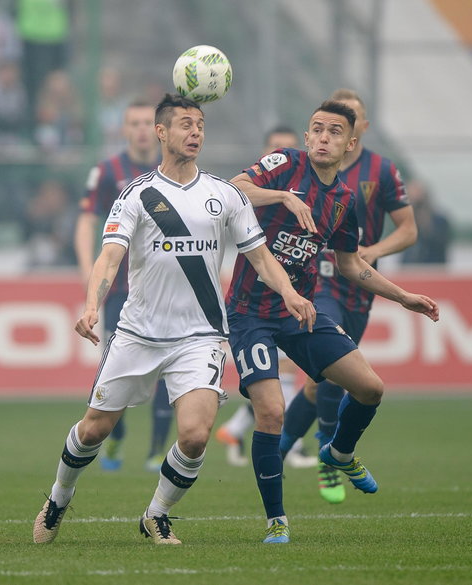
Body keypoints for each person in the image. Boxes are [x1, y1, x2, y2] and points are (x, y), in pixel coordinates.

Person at [33, 93, 315, 546]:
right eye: (185, 124)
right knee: (93, 430)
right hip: (138, 333)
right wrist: (90, 305)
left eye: (200, 124)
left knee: (196, 434)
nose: (195, 132)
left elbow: (260, 257)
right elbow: (109, 259)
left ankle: (156, 514)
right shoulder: (138, 194)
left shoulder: (224, 195)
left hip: (199, 337)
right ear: (162, 132)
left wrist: (289, 291)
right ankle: (58, 498)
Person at [226, 100, 439, 543]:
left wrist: (403, 297)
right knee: (270, 411)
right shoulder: (285, 164)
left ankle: (339, 452)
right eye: (317, 130)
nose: (323, 138)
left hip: (300, 310)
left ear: (350, 143)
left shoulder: (343, 201)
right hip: (250, 311)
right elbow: (236, 186)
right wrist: (282, 195)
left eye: (334, 132)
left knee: (370, 388)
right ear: (306, 138)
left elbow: (350, 265)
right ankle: (277, 521)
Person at [276, 89, 418, 504]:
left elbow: (408, 230)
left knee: (325, 382)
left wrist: (375, 251)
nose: (330, 134)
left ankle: (295, 450)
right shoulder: (304, 168)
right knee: (331, 373)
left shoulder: (381, 172)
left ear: (358, 132)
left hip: (360, 284)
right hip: (319, 285)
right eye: (322, 127)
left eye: (345, 124)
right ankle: (324, 457)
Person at [73, 100, 172, 473]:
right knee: (117, 362)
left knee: (166, 362)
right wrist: (89, 271)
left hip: (163, 286)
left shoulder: (172, 171)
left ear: (160, 128)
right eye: (136, 123)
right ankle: (114, 435)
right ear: (125, 129)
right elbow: (86, 220)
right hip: (119, 289)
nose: (143, 129)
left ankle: (157, 450)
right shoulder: (107, 171)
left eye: (149, 122)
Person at [214, 124, 316, 469]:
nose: (282, 155)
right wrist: (282, 196)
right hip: (254, 297)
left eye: (288, 149)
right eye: (275, 148)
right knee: (278, 378)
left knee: (284, 377)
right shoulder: (258, 191)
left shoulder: (310, 190)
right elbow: (236, 192)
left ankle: (239, 428)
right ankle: (292, 443)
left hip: (290, 291)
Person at [400, 179, 451, 264]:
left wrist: (426, 224)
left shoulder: (440, 221)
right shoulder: (406, 222)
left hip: (433, 270)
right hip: (409, 271)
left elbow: (440, 244)